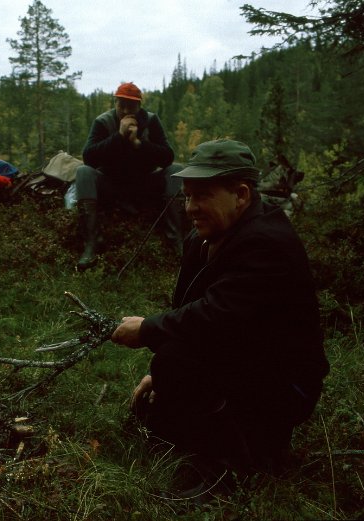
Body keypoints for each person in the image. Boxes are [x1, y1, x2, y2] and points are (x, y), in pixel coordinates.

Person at [111, 139, 329, 485]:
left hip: (286, 386)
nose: (191, 208)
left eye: (202, 196)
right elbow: (191, 314)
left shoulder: (266, 243)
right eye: (187, 196)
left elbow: (216, 317)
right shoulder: (205, 238)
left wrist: (147, 329)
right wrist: (160, 377)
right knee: (169, 370)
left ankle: (233, 463)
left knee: (173, 363)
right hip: (247, 358)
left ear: (240, 195)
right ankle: (208, 436)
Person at [74, 81, 185, 270]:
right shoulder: (103, 122)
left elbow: (168, 157)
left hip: (145, 184)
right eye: (121, 105)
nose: (125, 111)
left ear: (139, 105)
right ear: (115, 104)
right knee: (83, 172)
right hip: (112, 185)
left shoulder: (151, 121)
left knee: (175, 170)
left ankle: (176, 239)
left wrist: (139, 144)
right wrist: (118, 137)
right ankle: (91, 243)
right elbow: (88, 158)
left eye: (131, 106)